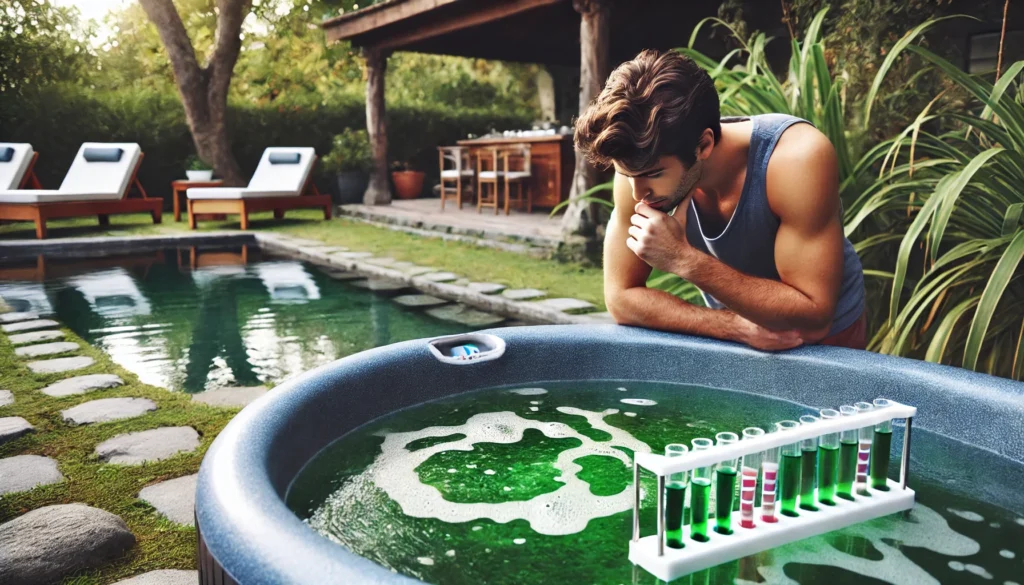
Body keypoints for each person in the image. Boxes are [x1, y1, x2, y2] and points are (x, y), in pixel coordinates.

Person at [573, 49, 866, 351]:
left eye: (654, 173)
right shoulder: (640, 166)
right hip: (744, 338)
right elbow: (620, 298)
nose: (637, 194)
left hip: (828, 342)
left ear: (704, 144)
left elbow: (814, 318)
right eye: (626, 174)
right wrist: (733, 326)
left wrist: (683, 259)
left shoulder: (795, 160)